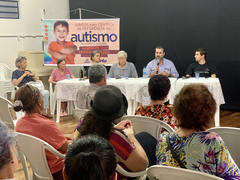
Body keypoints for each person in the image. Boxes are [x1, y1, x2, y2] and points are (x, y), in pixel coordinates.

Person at [156, 84, 240, 179]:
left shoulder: (163, 140)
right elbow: (234, 177)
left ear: (177, 109)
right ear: (209, 111)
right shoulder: (212, 142)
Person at [74, 85, 153, 177]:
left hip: (87, 174)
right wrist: (131, 136)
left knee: (144, 136)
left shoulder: (82, 125)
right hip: (115, 175)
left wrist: (114, 127)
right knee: (149, 141)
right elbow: (143, 165)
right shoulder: (116, 139)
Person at [14, 85, 69, 180]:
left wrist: (61, 136)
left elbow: (41, 137)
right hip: (59, 172)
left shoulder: (20, 124)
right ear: (39, 102)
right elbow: (68, 149)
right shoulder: (46, 125)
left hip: (39, 169)